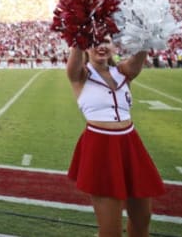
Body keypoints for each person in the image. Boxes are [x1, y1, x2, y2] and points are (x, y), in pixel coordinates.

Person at [66, 36, 165, 237]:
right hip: (101, 148)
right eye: (93, 42)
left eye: (106, 41)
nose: (101, 46)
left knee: (142, 219)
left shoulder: (122, 72)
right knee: (111, 230)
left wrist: (147, 30)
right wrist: (78, 31)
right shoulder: (81, 75)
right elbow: (75, 57)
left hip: (130, 144)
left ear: (114, 45)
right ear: (85, 47)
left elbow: (139, 57)